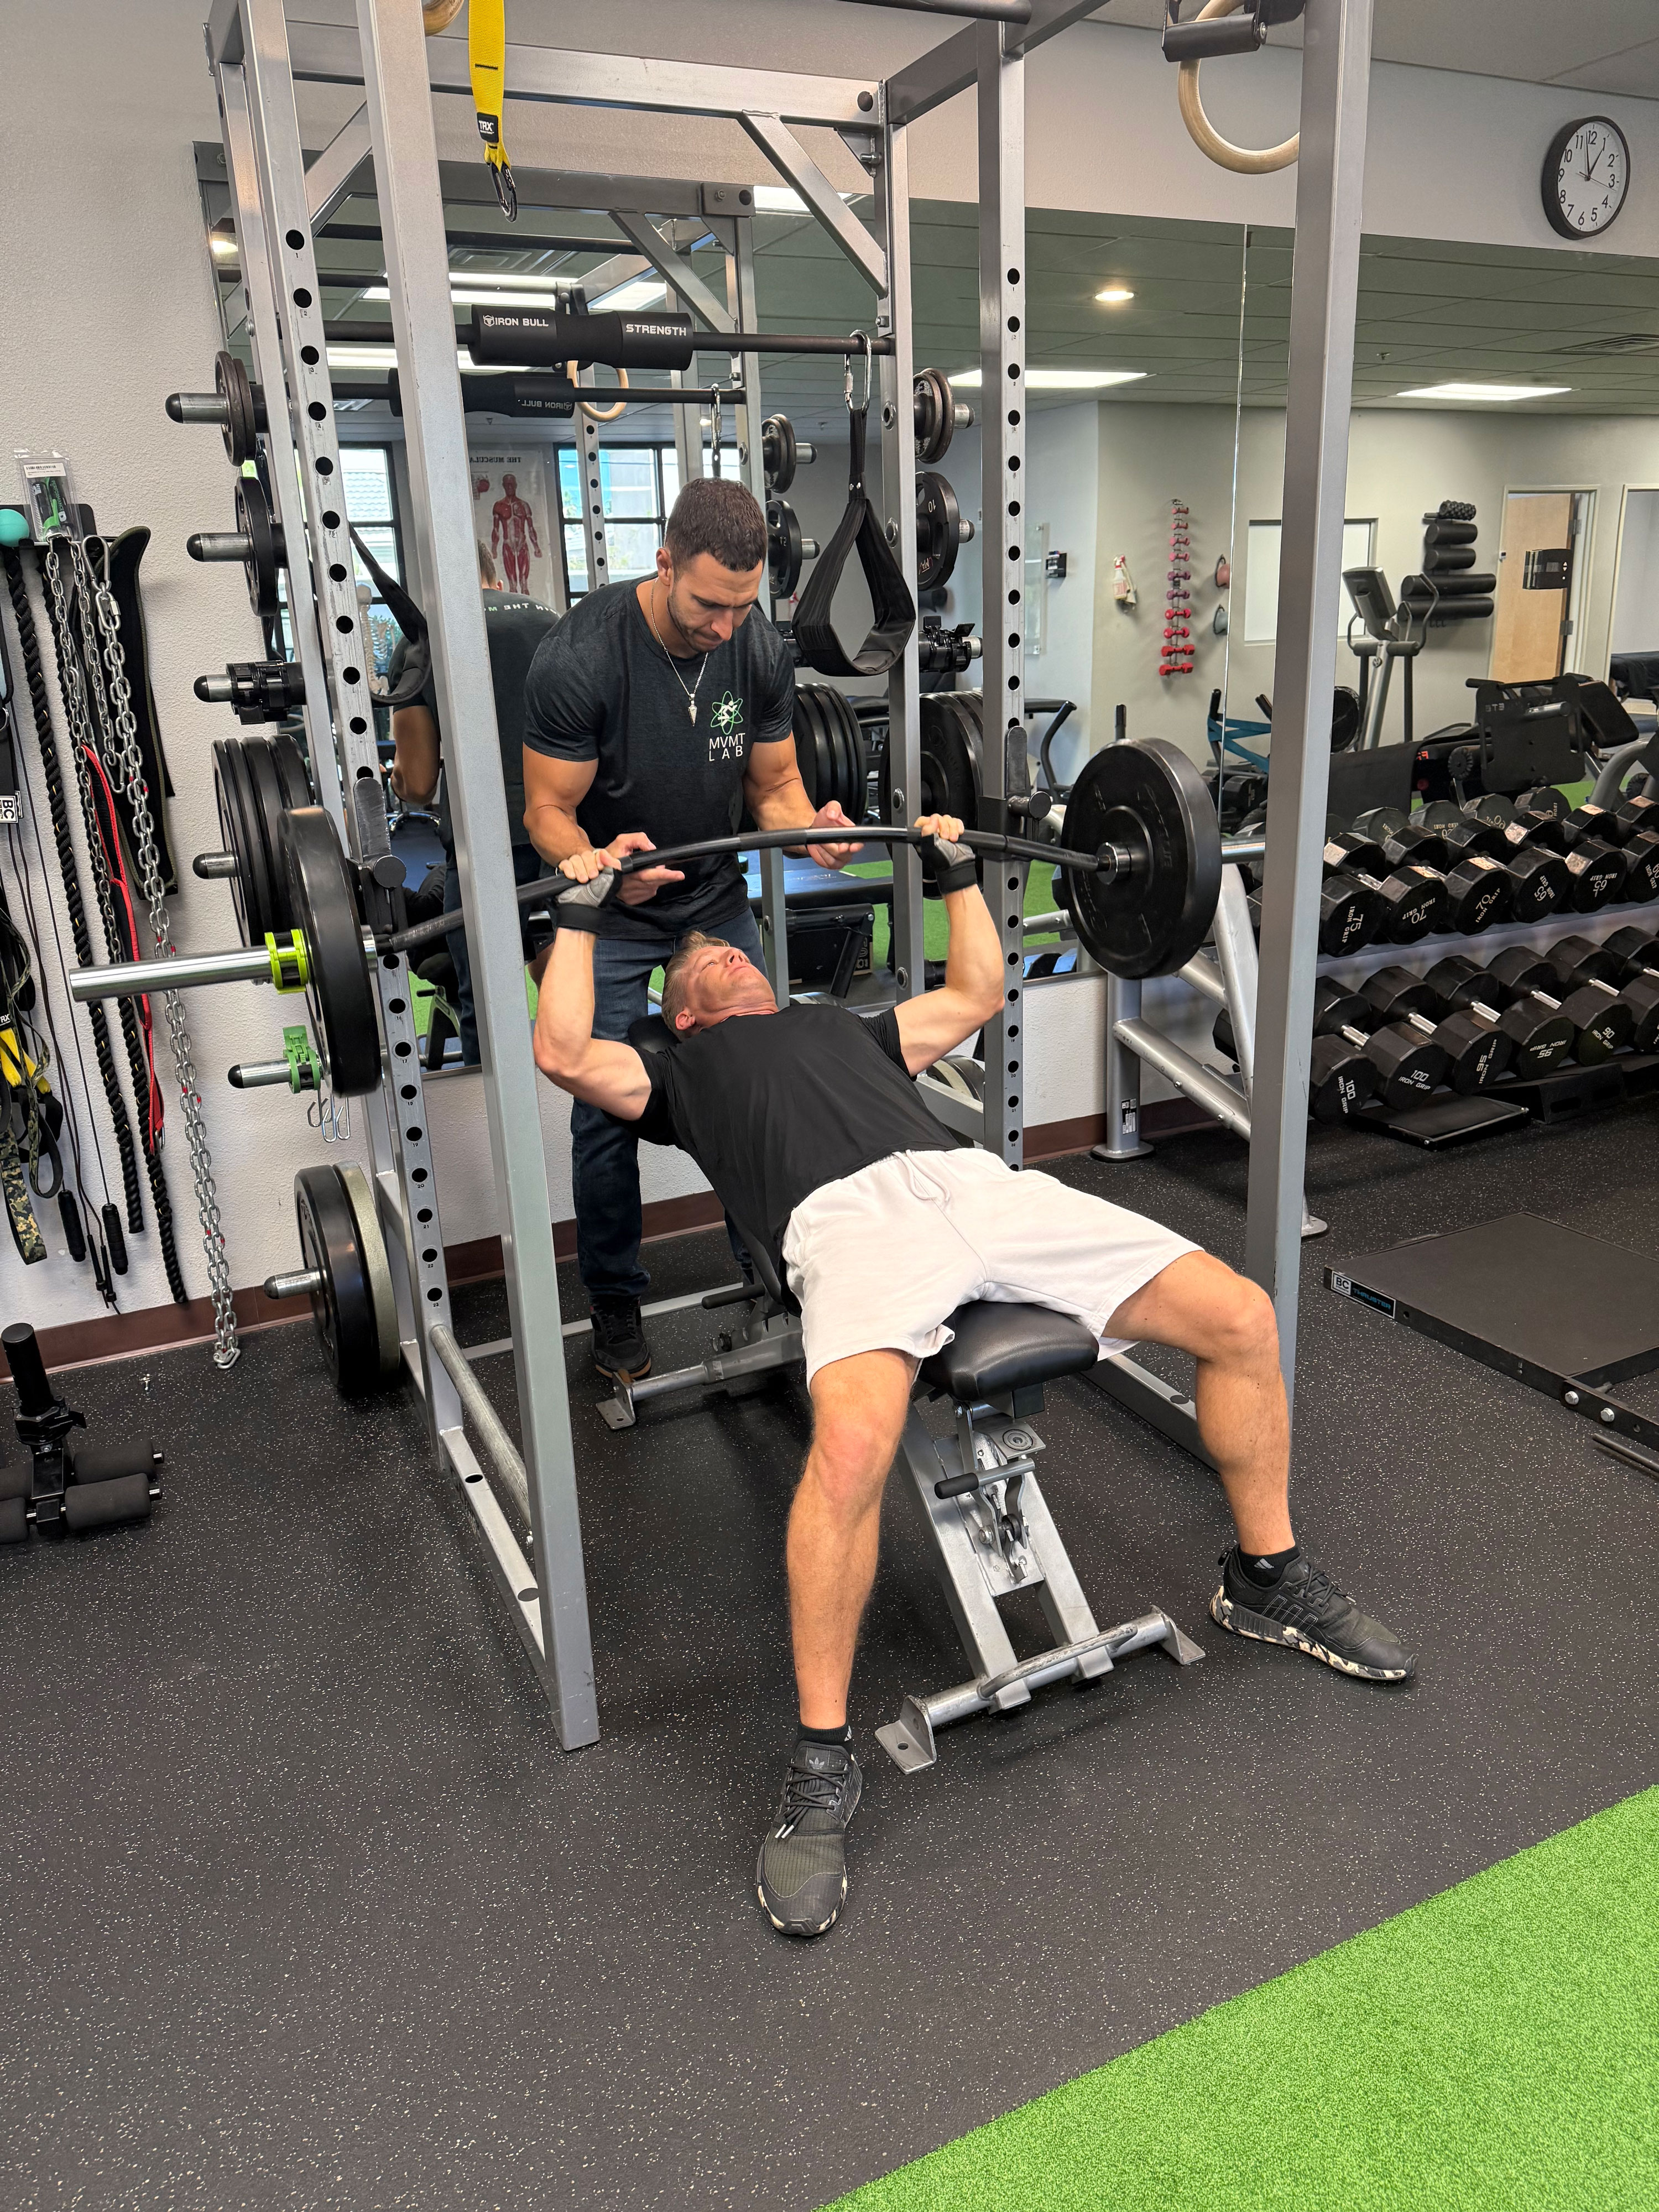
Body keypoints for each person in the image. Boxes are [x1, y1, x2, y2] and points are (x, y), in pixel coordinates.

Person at [529, 814, 1416, 1940]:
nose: (724, 953)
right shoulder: (676, 1074)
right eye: (699, 963)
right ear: (683, 1010)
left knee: (1239, 1313)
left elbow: (980, 989)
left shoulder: (850, 1027)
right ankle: (818, 1759)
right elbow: (561, 1050)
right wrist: (580, 907)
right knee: (850, 1446)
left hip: (981, 1184)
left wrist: (948, 868)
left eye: (733, 947)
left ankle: (1265, 1576)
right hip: (844, 1225)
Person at [521, 474, 858, 1386]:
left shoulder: (754, 645)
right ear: (663, 562)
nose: (724, 626)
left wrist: (808, 833)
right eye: (709, 603)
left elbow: (774, 789)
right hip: (620, 911)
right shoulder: (580, 657)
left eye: (742, 607)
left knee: (759, 1080)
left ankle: (777, 1274)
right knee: (605, 1116)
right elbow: (548, 813)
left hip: (712, 901)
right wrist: (601, 867)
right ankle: (617, 1310)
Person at [388, 542, 556, 1066]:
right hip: (572, 832)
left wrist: (396, 780)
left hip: (485, 843)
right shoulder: (553, 620)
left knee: (484, 995)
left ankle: (495, 1102)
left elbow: (417, 784)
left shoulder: (422, 642)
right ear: (496, 575)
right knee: (587, 971)